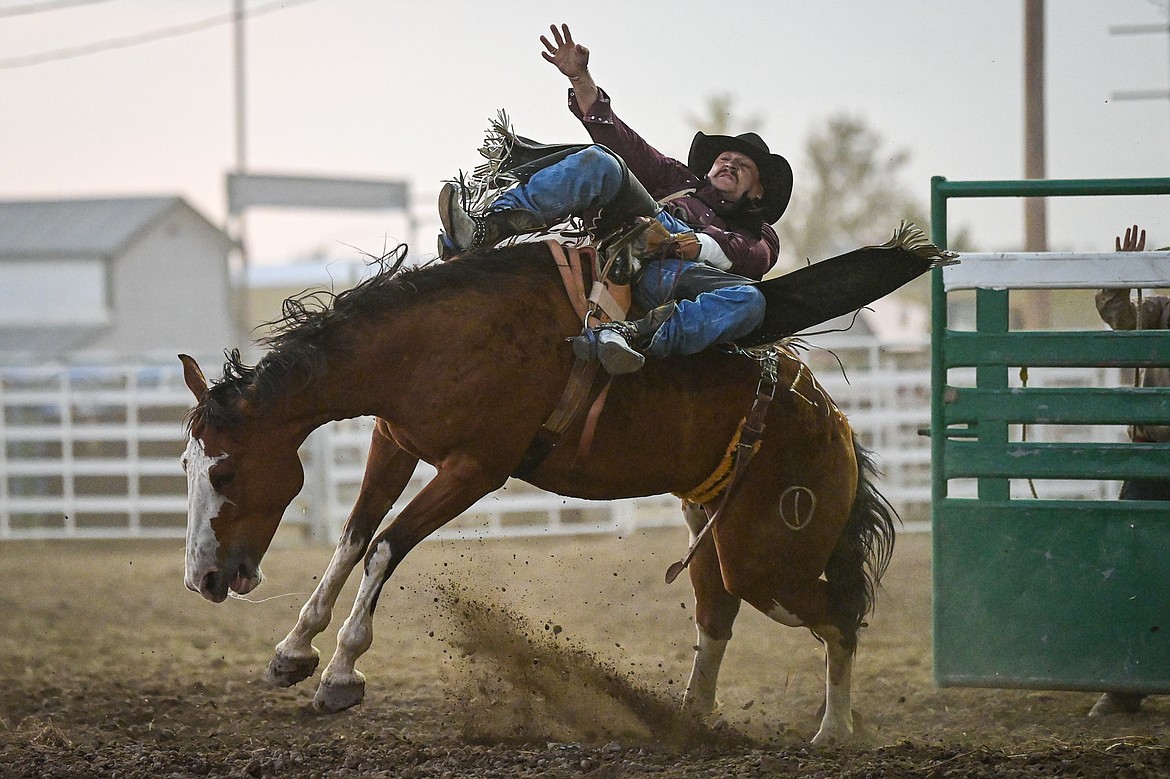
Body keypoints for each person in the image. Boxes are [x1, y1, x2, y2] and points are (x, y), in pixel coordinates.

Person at [439, 23, 793, 375]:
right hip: (626, 238)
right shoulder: (678, 181)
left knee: (751, 300)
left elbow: (749, 256)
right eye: (724, 158)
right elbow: (623, 140)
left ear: (757, 191)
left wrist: (689, 243)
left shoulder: (761, 234)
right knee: (603, 161)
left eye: (742, 165)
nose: (729, 163)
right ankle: (488, 228)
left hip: (674, 278)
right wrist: (581, 78)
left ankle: (635, 335)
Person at [1088, 223, 1170, 718]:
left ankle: (1127, 684)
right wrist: (1120, 275)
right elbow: (1117, 313)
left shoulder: (1158, 310)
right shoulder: (1157, 311)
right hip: (1150, 453)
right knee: (1131, 559)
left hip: (1151, 451)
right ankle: (1127, 682)